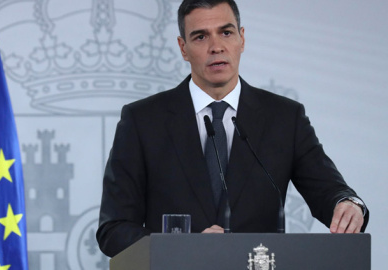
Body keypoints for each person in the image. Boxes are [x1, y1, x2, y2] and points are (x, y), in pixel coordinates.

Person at [97, 0, 369, 257]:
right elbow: (114, 229)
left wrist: (348, 204)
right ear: (183, 48)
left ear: (242, 39)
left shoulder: (285, 117)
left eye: (226, 33)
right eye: (201, 37)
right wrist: (181, 247)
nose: (216, 47)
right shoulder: (142, 120)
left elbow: (330, 191)